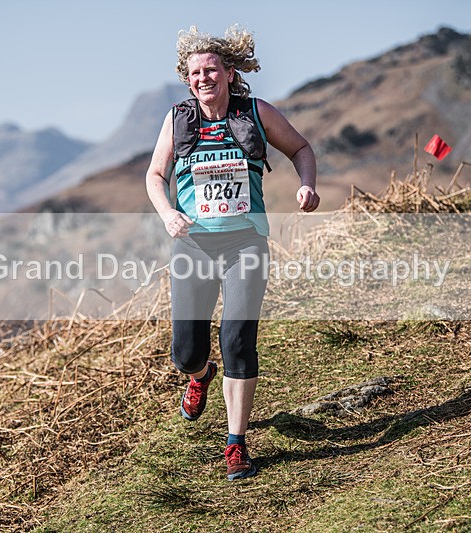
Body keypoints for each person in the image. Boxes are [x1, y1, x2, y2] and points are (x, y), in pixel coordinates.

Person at [146, 25, 319, 480]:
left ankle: (236, 443)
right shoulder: (178, 119)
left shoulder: (256, 112)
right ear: (188, 80)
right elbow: (154, 175)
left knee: (238, 339)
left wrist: (307, 185)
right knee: (186, 352)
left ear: (229, 72)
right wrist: (167, 214)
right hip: (194, 246)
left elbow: (301, 148)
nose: (203, 78)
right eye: (194, 73)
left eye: (211, 70)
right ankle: (199, 376)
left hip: (245, 243)